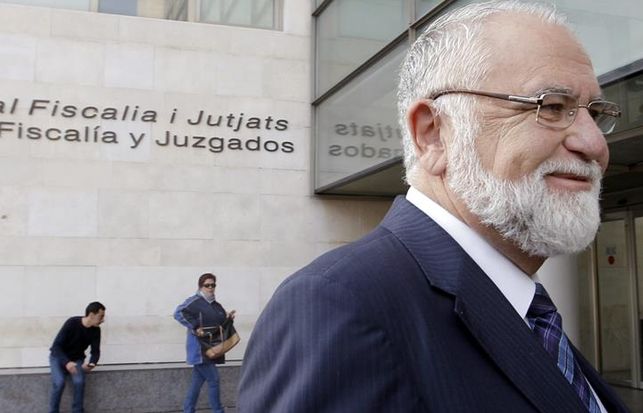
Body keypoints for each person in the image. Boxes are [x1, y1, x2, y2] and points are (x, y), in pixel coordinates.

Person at [238, 1, 631, 412]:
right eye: (551, 106)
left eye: (595, 113)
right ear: (433, 134)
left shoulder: (528, 311)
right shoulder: (340, 306)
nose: (594, 144)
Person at [174, 273, 236, 413]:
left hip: (212, 348)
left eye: (213, 285)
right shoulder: (194, 301)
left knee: (196, 383)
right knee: (214, 380)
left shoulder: (216, 305)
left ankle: (188, 410)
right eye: (207, 285)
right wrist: (195, 326)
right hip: (199, 349)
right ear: (200, 286)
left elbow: (220, 322)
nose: (210, 288)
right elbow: (178, 313)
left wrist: (228, 318)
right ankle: (218, 411)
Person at [49, 301, 105, 413]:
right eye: (101, 316)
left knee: (79, 382)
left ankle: (77, 411)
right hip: (58, 357)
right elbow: (56, 346)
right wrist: (67, 362)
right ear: (91, 315)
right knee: (59, 383)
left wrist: (91, 364)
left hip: (76, 359)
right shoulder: (72, 323)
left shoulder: (96, 330)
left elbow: (95, 352)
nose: (102, 320)